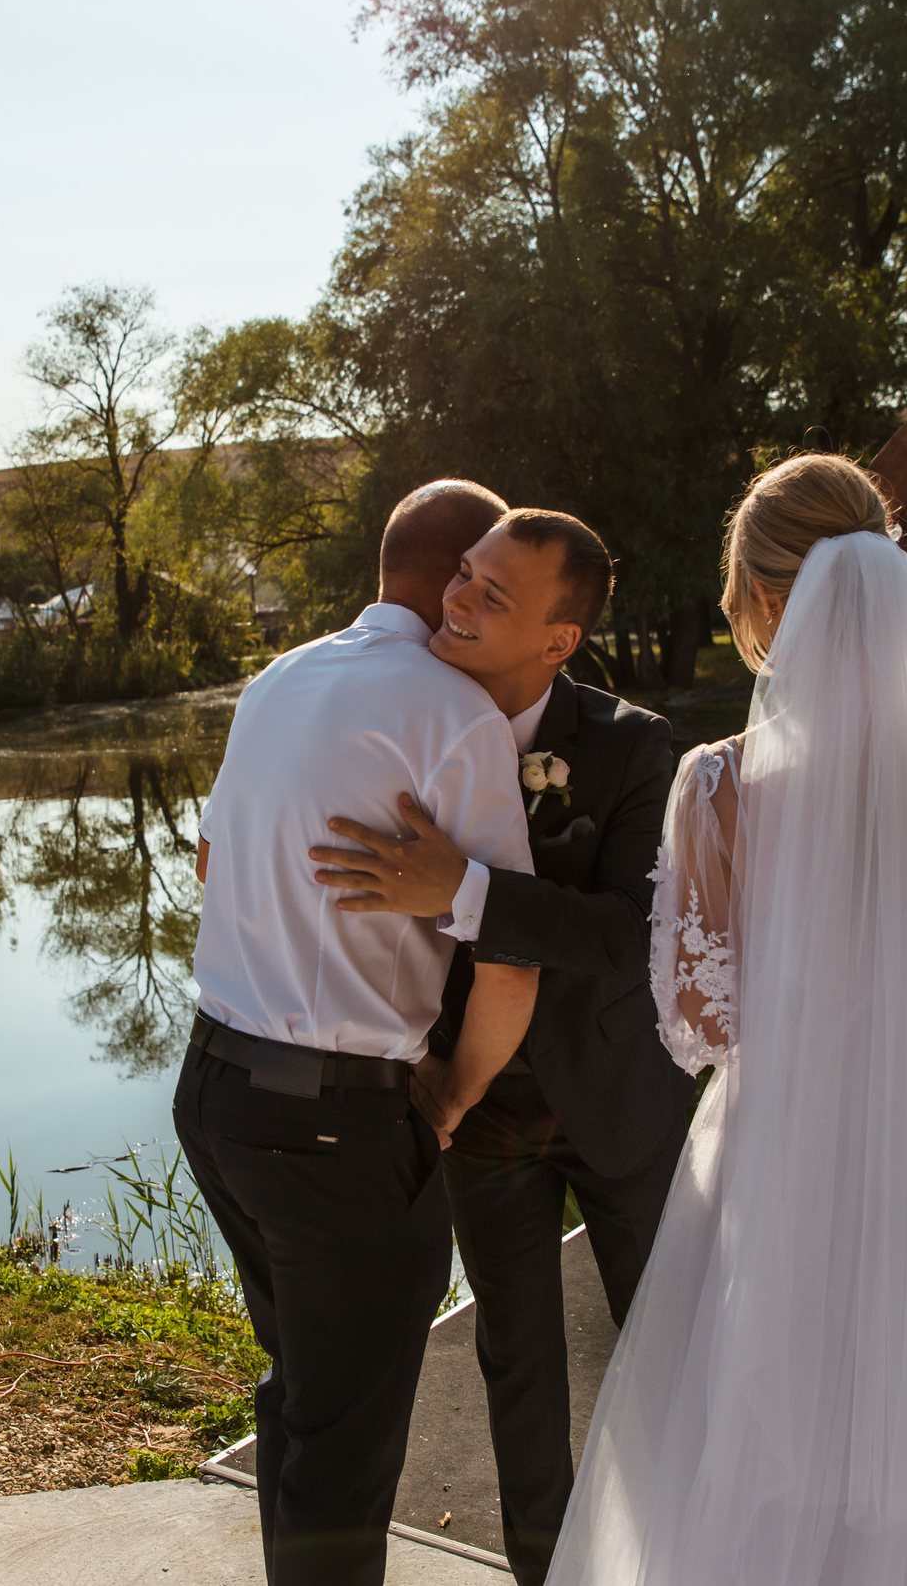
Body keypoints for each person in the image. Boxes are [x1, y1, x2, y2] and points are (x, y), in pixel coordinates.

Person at [548, 455, 907, 1586]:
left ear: (765, 600)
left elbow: (698, 1025)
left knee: (778, 1458)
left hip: (788, 1150)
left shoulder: (720, 785)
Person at [308, 508, 686, 1586]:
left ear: (558, 641)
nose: (458, 602)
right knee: (515, 1365)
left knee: (664, 1353)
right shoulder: (411, 718)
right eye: (463, 578)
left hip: (620, 1101)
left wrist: (465, 892)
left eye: (492, 596)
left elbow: (628, 934)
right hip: (476, 1110)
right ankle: (546, 1573)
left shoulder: (632, 746)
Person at [178, 479, 543, 1586]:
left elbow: (212, 858)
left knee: (304, 1390)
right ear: (448, 581)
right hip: (333, 1127)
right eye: (480, 576)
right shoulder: (453, 715)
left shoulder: (278, 679)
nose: (484, 597)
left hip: (215, 1094)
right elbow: (510, 957)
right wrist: (455, 1092)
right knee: (346, 1438)